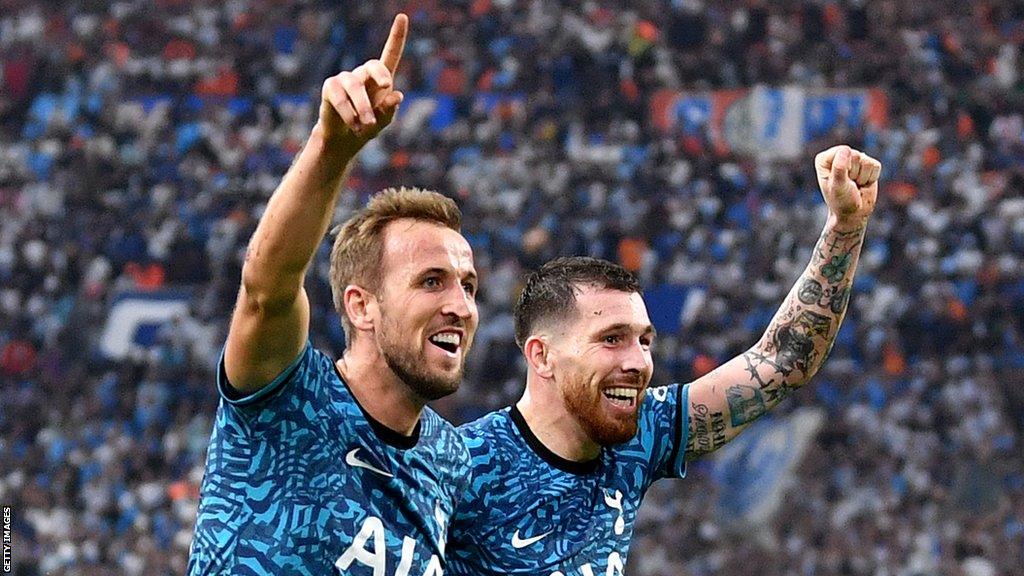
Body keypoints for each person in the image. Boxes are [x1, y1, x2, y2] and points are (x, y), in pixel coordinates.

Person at [446, 145, 882, 575]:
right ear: (542, 356)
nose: (638, 361)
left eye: (645, 341)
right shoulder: (462, 466)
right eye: (612, 339)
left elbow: (783, 360)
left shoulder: (641, 433)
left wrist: (844, 226)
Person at [188, 15, 481, 574]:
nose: (461, 306)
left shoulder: (450, 463)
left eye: (468, 286)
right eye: (430, 280)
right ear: (360, 305)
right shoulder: (286, 394)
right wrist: (331, 148)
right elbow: (265, 291)